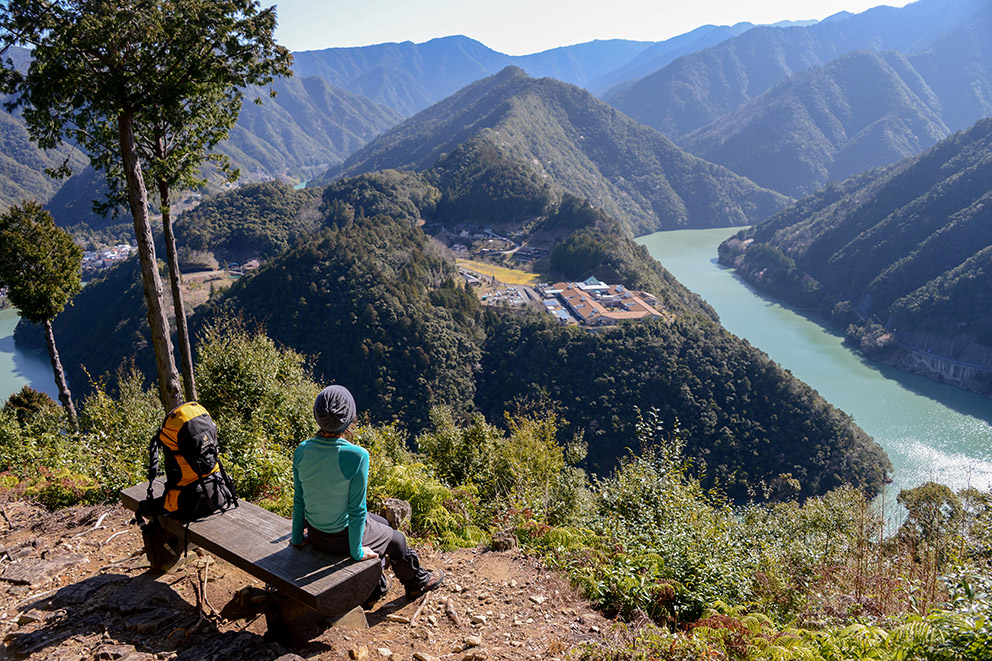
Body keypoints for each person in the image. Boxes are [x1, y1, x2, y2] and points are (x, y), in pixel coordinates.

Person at [290, 384, 444, 604]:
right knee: (398, 540)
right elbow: (356, 510)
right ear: (350, 419)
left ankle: (376, 585)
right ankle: (416, 584)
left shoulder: (303, 449)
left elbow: (299, 501)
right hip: (341, 539)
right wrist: (357, 552)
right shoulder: (357, 455)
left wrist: (297, 538)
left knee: (381, 521)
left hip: (316, 535)